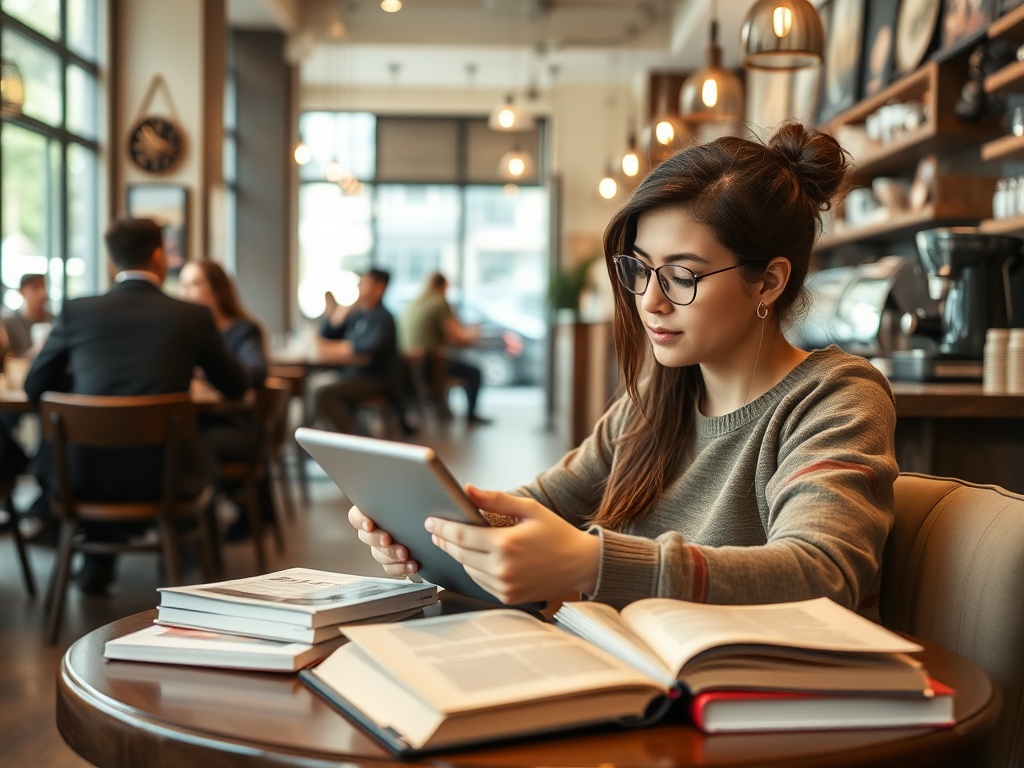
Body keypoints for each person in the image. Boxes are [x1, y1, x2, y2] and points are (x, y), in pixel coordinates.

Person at [348, 123, 899, 618]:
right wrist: (435, 531)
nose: (650, 301)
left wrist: (592, 563)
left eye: (682, 275)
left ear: (769, 282)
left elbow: (823, 573)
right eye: (639, 268)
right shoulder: (652, 405)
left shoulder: (835, 397)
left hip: (769, 716)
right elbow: (536, 508)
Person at [24, 217, 250, 593]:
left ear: (113, 262)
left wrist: (82, 385)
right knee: (177, 457)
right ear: (160, 257)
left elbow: (35, 387)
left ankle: (98, 561)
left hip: (84, 477)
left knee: (103, 458)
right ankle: (177, 557)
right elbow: (237, 386)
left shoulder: (77, 311)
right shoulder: (191, 316)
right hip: (166, 476)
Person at [179, 258, 272, 540]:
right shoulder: (185, 331)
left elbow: (255, 372)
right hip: (198, 421)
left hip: (233, 424)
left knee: (187, 446)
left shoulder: (241, 330)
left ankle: (192, 531)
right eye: (183, 285)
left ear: (218, 290)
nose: (186, 293)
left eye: (194, 284)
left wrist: (206, 375)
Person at [313, 268, 413, 436]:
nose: (360, 287)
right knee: (313, 383)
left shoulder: (384, 317)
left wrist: (347, 346)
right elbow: (328, 335)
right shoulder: (359, 314)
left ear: (380, 287)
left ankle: (355, 437)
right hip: (352, 374)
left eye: (365, 282)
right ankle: (320, 437)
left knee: (322, 391)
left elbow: (372, 347)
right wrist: (336, 314)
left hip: (375, 378)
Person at [398, 272, 491, 425]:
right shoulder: (440, 302)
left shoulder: (414, 303)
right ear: (443, 286)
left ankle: (444, 408)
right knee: (474, 372)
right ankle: (471, 415)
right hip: (431, 365)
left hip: (411, 366)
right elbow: (457, 336)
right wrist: (474, 332)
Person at [1, 272, 54, 359]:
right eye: (35, 288)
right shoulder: (8, 322)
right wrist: (36, 350)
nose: (43, 293)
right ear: (22, 292)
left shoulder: (54, 320)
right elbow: (8, 360)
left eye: (44, 287)